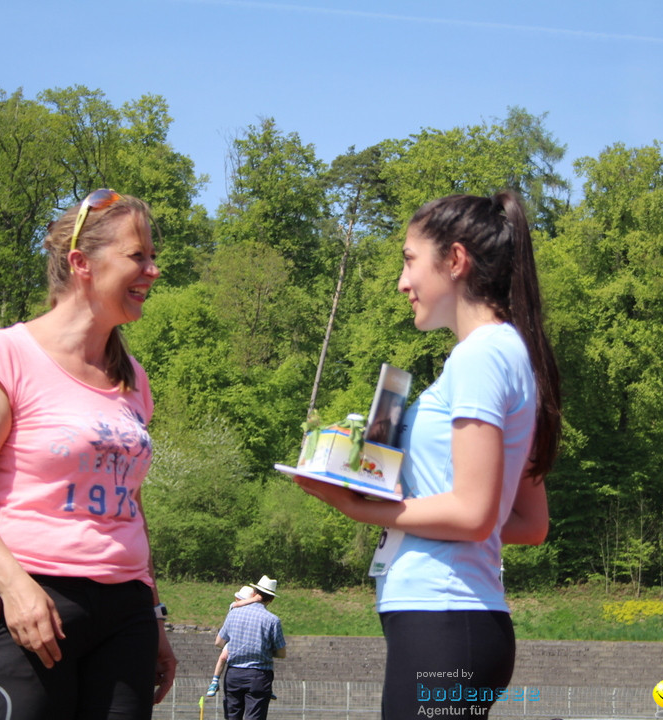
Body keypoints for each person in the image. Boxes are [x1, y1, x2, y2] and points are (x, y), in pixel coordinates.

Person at [294, 191, 560, 718]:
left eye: (409, 259)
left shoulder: (480, 357)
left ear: (456, 261)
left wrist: (357, 506)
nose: (402, 281)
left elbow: (471, 512)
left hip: (445, 614)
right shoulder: (507, 352)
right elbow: (527, 521)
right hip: (455, 617)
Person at [0, 189, 177, 720]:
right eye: (138, 256)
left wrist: (154, 615)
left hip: (126, 614)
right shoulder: (5, 355)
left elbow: (128, 504)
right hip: (23, 604)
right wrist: (16, 589)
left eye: (152, 257)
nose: (153, 270)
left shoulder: (134, 379)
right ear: (81, 263)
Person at [215, 575, 287, 720]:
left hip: (234, 673)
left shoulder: (234, 613)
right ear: (271, 599)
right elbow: (281, 653)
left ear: (253, 593)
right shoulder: (273, 620)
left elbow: (219, 642)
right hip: (259, 676)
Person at [205, 585, 257, 696]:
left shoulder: (253, 611)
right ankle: (215, 681)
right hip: (233, 637)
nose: (236, 600)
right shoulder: (234, 606)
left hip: (247, 637)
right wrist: (255, 599)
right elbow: (236, 605)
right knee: (223, 656)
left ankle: (267, 686)